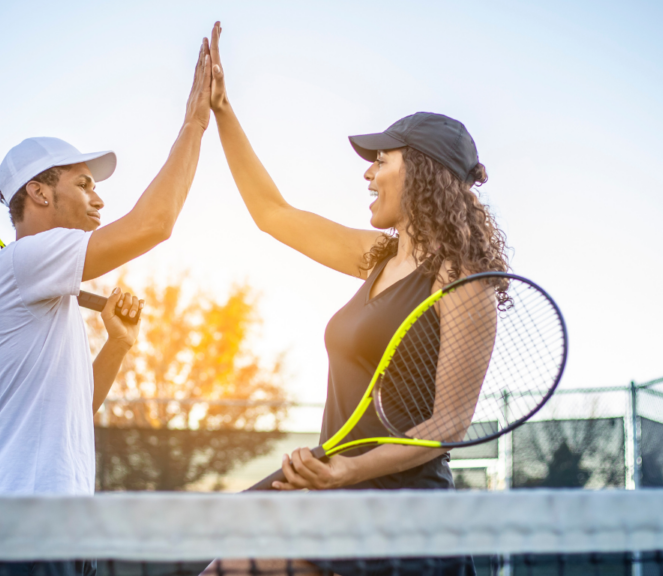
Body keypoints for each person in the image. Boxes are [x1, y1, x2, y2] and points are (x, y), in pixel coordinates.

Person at [205, 22, 508, 576]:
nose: (367, 172)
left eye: (381, 160)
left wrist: (347, 472)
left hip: (401, 520)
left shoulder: (464, 280)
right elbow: (273, 213)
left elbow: (446, 427)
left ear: (418, 171)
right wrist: (222, 110)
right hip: (335, 496)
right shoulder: (377, 257)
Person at [0, 37, 214, 576]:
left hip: (63, 529)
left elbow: (73, 408)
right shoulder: (26, 261)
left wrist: (118, 344)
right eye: (83, 183)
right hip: (19, 526)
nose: (98, 198)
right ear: (39, 193)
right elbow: (155, 224)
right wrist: (194, 123)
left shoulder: (49, 290)